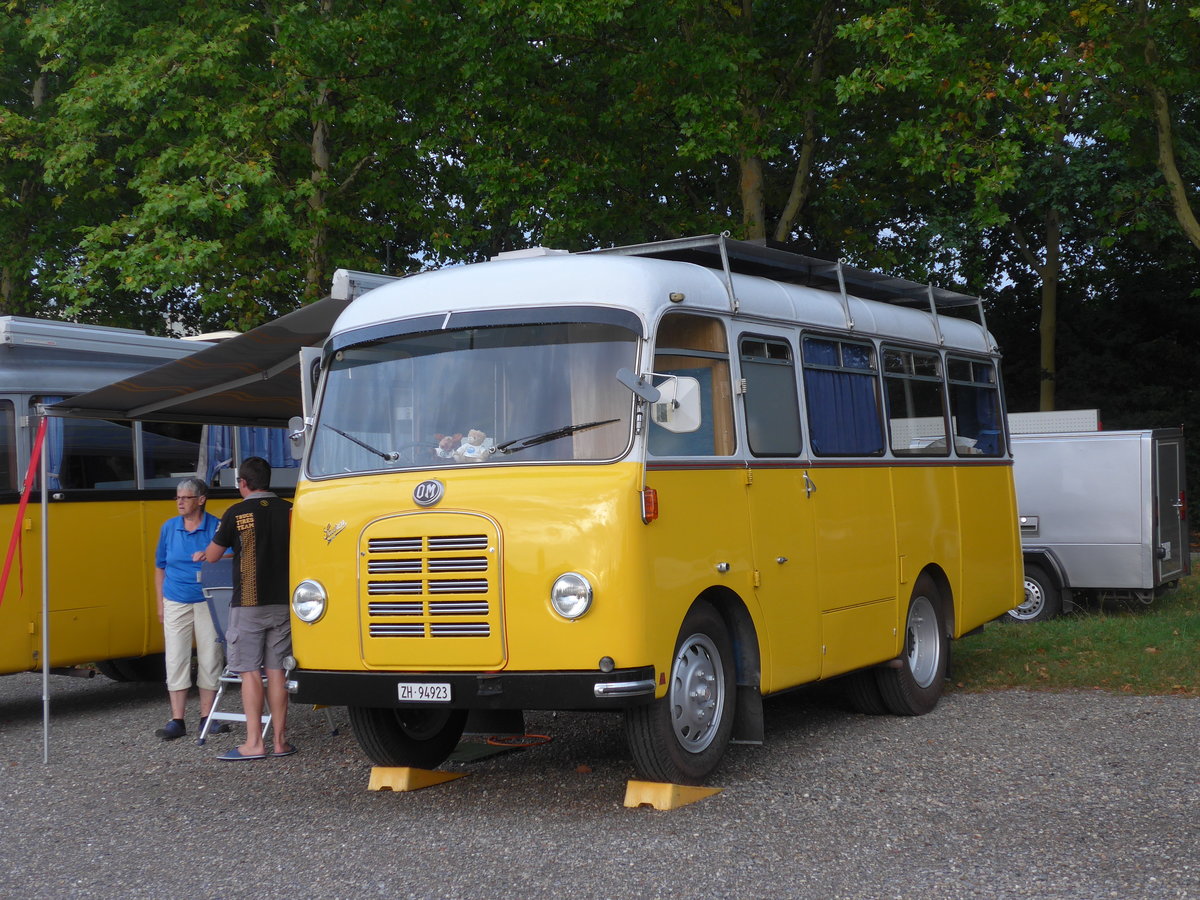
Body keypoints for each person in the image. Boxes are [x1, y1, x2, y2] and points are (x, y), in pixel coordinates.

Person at [194, 457, 295, 760]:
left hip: (249, 603)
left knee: (250, 672)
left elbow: (212, 555)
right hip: (283, 601)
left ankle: (254, 743)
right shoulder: (290, 510)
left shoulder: (236, 513)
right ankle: (279, 742)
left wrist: (213, 553)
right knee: (277, 672)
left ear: (243, 483)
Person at [153, 477, 228, 741]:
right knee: (175, 657)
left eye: (185, 497)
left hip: (209, 599)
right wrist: (160, 603)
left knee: (211, 656)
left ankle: (207, 718)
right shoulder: (169, 528)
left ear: (201, 499)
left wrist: (210, 553)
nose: (180, 502)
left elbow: (232, 554)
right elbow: (160, 566)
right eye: (177, 497)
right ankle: (177, 719)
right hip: (175, 598)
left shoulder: (216, 526)